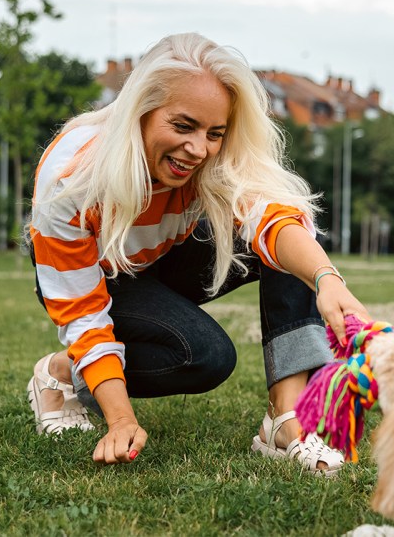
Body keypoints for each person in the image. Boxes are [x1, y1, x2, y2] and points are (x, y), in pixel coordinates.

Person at [25, 32, 370, 475]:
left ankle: (285, 420)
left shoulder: (212, 158)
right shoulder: (70, 177)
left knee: (288, 228)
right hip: (98, 277)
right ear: (141, 110)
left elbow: (271, 215)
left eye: (215, 133)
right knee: (206, 356)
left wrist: (325, 279)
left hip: (162, 256)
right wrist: (121, 420)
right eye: (183, 126)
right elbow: (84, 313)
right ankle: (62, 373)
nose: (198, 150)